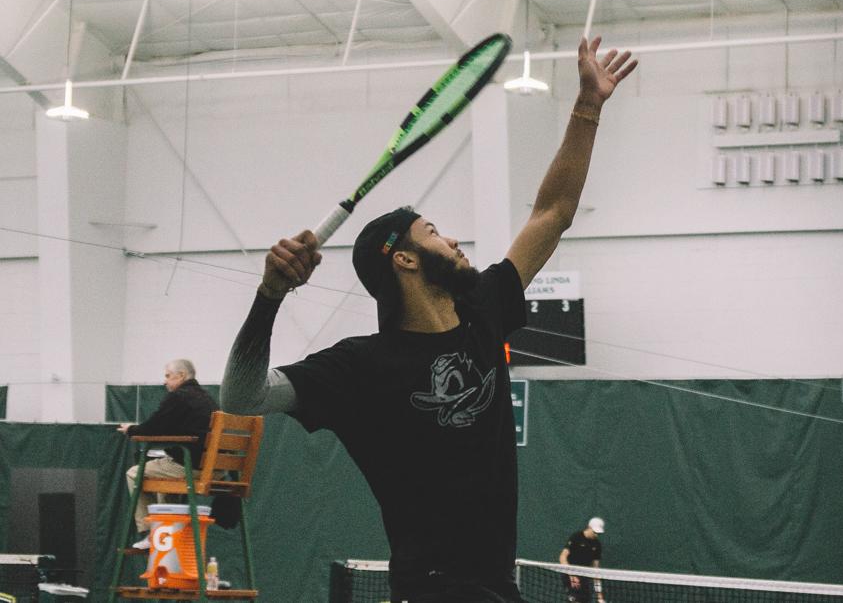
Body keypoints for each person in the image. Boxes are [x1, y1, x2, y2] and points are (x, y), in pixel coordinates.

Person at [218, 36, 636, 603]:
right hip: (433, 590)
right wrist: (268, 297)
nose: (455, 239)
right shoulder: (358, 366)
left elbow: (553, 213)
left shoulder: (483, 311)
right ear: (404, 259)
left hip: (495, 585)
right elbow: (241, 398)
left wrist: (588, 108)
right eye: (435, 231)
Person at [118, 359, 218, 549]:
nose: (164, 381)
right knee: (164, 480)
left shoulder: (180, 397)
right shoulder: (207, 399)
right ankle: (168, 532)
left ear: (181, 375)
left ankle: (150, 531)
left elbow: (154, 426)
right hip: (217, 468)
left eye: (167, 376)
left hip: (194, 466)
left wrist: (132, 430)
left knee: (133, 473)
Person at [559, 517, 606, 603]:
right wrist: (571, 575)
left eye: (598, 533)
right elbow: (562, 557)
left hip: (584, 576)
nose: (596, 535)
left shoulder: (597, 545)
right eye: (595, 532)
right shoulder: (576, 537)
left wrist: (600, 596)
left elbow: (596, 570)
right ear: (589, 527)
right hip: (569, 574)